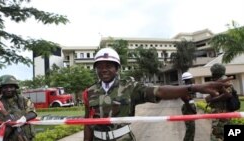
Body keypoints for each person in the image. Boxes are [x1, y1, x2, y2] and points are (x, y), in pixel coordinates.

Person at [83, 47, 233, 141]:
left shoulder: (130, 87)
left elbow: (160, 91)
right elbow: (87, 123)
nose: (104, 69)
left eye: (108, 66)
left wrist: (195, 87)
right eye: (100, 66)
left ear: (117, 68)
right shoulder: (89, 92)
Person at [0, 75, 37, 141]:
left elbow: (33, 113)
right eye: (5, 87)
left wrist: (24, 119)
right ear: (0, 89)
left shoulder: (23, 100)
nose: (8, 90)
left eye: (11, 87)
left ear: (15, 88)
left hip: (25, 137)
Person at [205, 63, 233, 141]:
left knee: (216, 134)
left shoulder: (224, 80)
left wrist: (212, 99)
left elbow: (227, 95)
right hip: (221, 111)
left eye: (213, 71)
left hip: (221, 111)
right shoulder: (220, 80)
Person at [181, 72, 197, 141]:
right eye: (191, 78)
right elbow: (186, 101)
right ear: (189, 79)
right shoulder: (185, 88)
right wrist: (193, 110)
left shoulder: (189, 87)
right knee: (190, 129)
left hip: (189, 108)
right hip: (188, 109)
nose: (192, 79)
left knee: (191, 129)